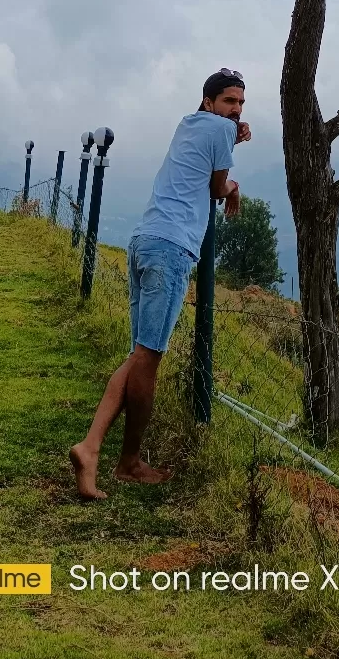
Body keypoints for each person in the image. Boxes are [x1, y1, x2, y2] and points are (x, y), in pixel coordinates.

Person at [69, 67, 249, 499]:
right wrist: (235, 188)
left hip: (143, 241)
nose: (236, 109)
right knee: (147, 360)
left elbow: (200, 166)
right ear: (208, 101)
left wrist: (231, 136)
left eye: (240, 103)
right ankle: (114, 456)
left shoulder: (188, 124)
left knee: (139, 356)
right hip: (170, 250)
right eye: (229, 101)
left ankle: (100, 451)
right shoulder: (220, 132)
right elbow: (216, 186)